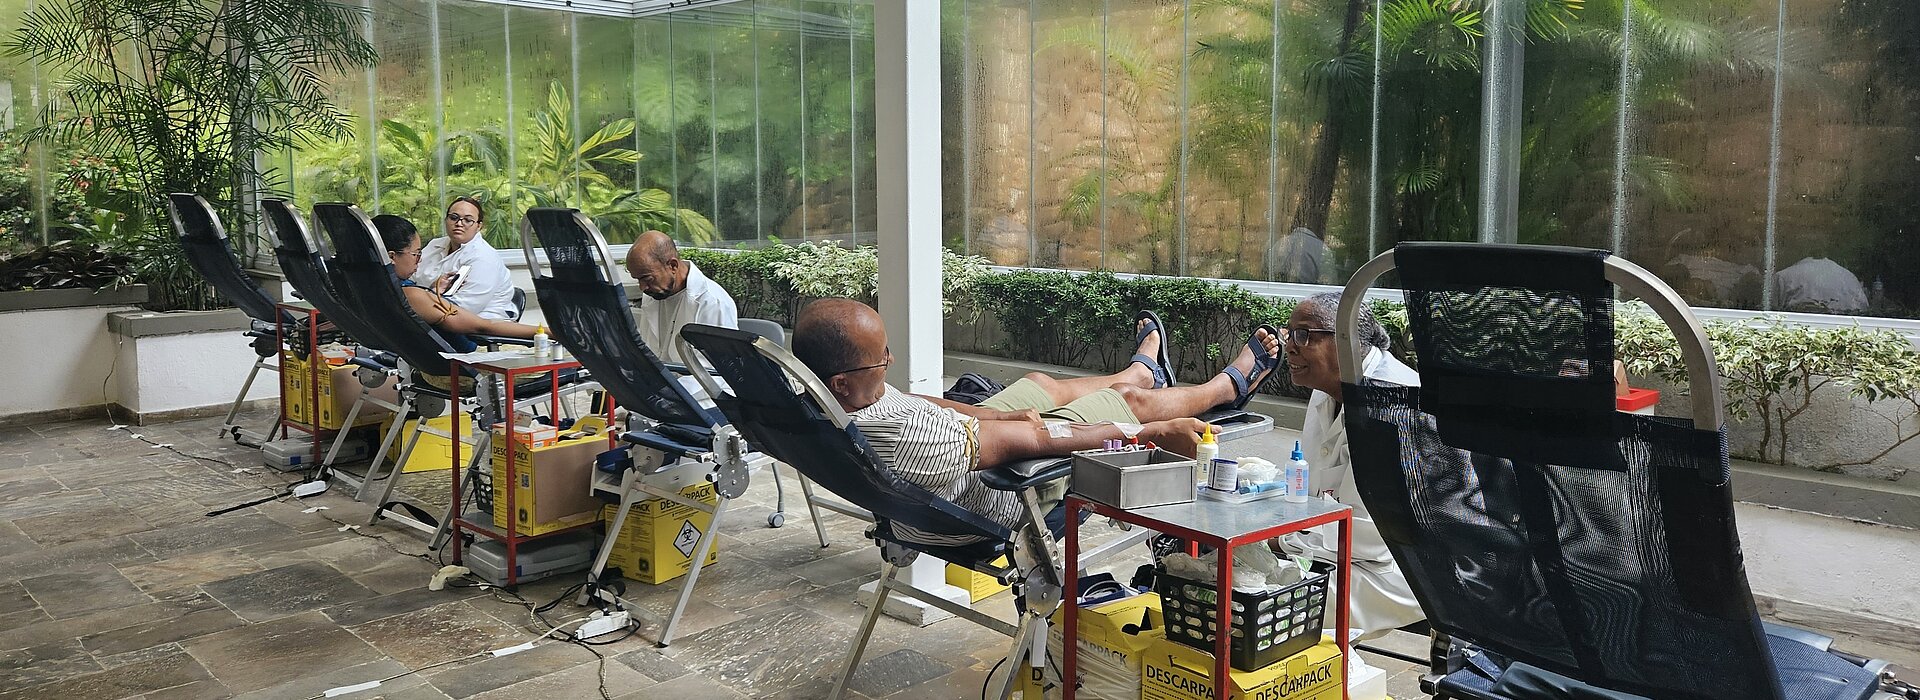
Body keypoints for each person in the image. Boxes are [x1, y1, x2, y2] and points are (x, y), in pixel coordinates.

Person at [791, 298, 1282, 543]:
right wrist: (1145, 435)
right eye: (882, 359)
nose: (891, 361)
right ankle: (1228, 386)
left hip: (967, 452)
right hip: (1009, 498)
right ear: (842, 381)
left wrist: (991, 412)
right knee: (1127, 404)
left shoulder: (819, 399)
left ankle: (1142, 371)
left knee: (1040, 384)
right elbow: (1037, 438)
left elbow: (914, 401)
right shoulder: (911, 438)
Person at [1270, 291, 1424, 640]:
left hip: (1400, 570)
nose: (1289, 347)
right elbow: (1311, 490)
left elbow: (1370, 539)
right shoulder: (1327, 390)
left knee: (1264, 601)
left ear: (1346, 340)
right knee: (1240, 575)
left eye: (1303, 335)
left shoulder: (1391, 402)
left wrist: (1283, 541)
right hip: (1338, 552)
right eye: (1289, 334)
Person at [375, 214, 539, 345]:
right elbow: (482, 327)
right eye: (416, 254)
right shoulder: (410, 295)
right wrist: (545, 331)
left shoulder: (370, 287)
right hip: (449, 361)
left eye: (468, 220)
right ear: (391, 257)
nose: (419, 260)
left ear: (478, 225)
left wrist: (431, 292)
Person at [625, 230, 738, 356]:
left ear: (673, 266)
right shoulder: (653, 293)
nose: (642, 287)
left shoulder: (713, 303)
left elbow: (717, 365)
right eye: (638, 279)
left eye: (647, 278)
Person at [411, 197, 521, 321]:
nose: (459, 224)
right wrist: (429, 291)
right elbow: (409, 278)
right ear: (446, 220)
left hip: (478, 320)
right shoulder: (434, 245)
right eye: (454, 217)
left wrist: (421, 297)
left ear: (479, 226)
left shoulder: (484, 257)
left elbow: (462, 308)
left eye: (468, 220)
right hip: (428, 312)